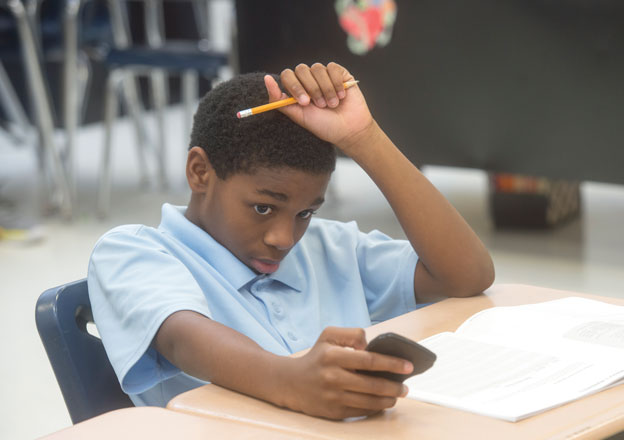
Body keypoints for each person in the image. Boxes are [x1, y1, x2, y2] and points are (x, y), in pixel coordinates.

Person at [88, 62, 494, 420]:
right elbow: (182, 337)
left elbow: (468, 275)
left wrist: (363, 137)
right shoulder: (132, 252)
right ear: (200, 172)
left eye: (305, 213)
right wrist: (292, 381)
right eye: (263, 208)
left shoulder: (330, 248)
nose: (284, 238)